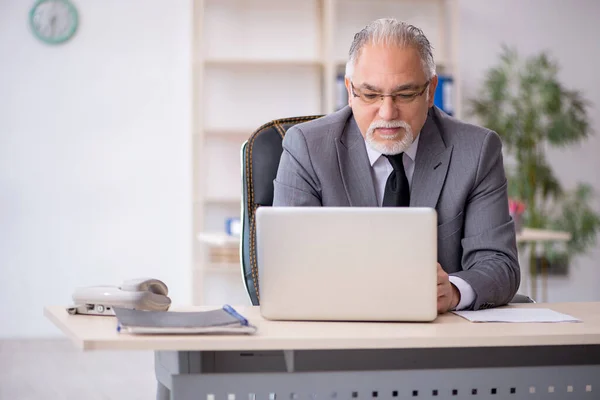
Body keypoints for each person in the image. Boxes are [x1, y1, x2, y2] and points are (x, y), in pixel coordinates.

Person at [272, 18, 520, 313]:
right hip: (337, 330)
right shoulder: (307, 148)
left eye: (404, 94)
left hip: (440, 337)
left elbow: (499, 264)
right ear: (350, 90)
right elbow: (288, 266)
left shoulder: (476, 151)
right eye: (370, 94)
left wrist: (453, 291)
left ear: (430, 91)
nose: (387, 113)